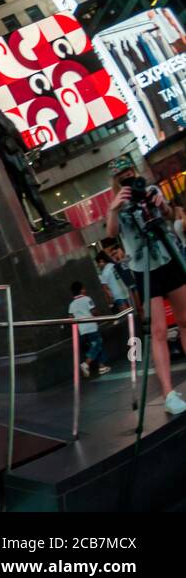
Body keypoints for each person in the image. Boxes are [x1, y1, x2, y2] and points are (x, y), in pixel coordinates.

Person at [105, 157, 186, 414]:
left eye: (130, 172)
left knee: (185, 321)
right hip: (143, 268)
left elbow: (170, 215)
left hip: (167, 257)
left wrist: (161, 206)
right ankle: (168, 393)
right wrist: (114, 209)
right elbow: (110, 234)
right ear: (116, 181)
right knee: (158, 331)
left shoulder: (151, 190)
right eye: (122, 176)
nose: (128, 177)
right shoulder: (117, 203)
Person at [69, 281, 111, 378]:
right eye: (84, 288)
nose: (85, 290)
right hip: (91, 327)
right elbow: (93, 311)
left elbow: (71, 317)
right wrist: (99, 316)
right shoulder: (87, 299)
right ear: (81, 290)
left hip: (82, 330)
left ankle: (102, 367)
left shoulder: (71, 304)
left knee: (96, 345)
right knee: (97, 344)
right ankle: (86, 364)